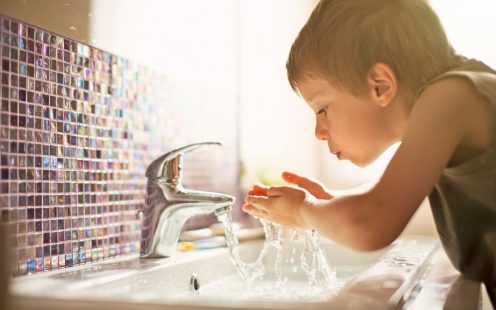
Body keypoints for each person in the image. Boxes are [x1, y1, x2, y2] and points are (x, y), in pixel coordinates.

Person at [242, 0, 496, 304]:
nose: (319, 132)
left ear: (380, 85)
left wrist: (302, 211)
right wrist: (330, 205)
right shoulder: (460, 91)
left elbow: (372, 222)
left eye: (322, 108)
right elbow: (382, 198)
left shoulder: (450, 97)